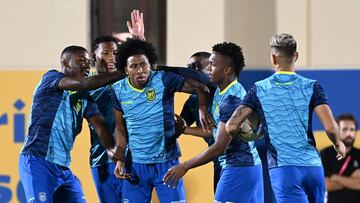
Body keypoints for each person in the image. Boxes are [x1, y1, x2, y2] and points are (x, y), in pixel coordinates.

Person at [225, 33, 346, 203]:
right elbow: (331, 128)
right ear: (296, 56)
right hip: (314, 168)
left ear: (273, 58)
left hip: (284, 170)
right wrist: (337, 144)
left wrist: (254, 133)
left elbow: (231, 126)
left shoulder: (259, 89)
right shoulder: (312, 86)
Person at [110, 38, 212, 202]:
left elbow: (202, 88)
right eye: (134, 66)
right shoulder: (118, 90)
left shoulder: (163, 79)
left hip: (167, 163)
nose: (140, 70)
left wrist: (202, 108)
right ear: (125, 69)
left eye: (144, 65)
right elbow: (120, 126)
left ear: (150, 65)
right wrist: (119, 158)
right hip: (135, 165)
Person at [18, 45, 123, 203]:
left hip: (63, 167)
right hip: (37, 161)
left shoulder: (84, 97)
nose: (87, 66)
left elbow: (100, 126)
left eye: (88, 62)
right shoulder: (51, 79)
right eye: (81, 61)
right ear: (65, 63)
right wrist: (124, 72)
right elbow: (85, 83)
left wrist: (112, 150)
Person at [164, 42, 264, 203]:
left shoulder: (231, 100)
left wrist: (185, 166)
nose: (209, 69)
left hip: (238, 167)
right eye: (209, 64)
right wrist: (186, 128)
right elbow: (215, 130)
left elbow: (219, 147)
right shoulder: (221, 90)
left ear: (226, 70)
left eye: (212, 64)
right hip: (244, 167)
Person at [88, 10, 144, 203]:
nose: (111, 57)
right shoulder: (86, 85)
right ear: (94, 56)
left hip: (134, 158)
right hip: (103, 160)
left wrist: (139, 41)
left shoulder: (127, 80)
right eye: (105, 53)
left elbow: (147, 71)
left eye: (115, 53)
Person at [178, 51, 221, 192]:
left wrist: (159, 68)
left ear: (210, 68)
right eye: (188, 67)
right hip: (219, 163)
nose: (190, 71)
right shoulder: (192, 101)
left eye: (195, 66)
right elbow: (177, 128)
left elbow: (213, 132)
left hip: (237, 163)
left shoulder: (221, 93)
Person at [321, 113, 360, 203]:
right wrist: (352, 181)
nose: (349, 133)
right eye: (345, 129)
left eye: (352, 129)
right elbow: (326, 185)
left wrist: (335, 177)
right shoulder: (325, 154)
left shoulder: (359, 154)